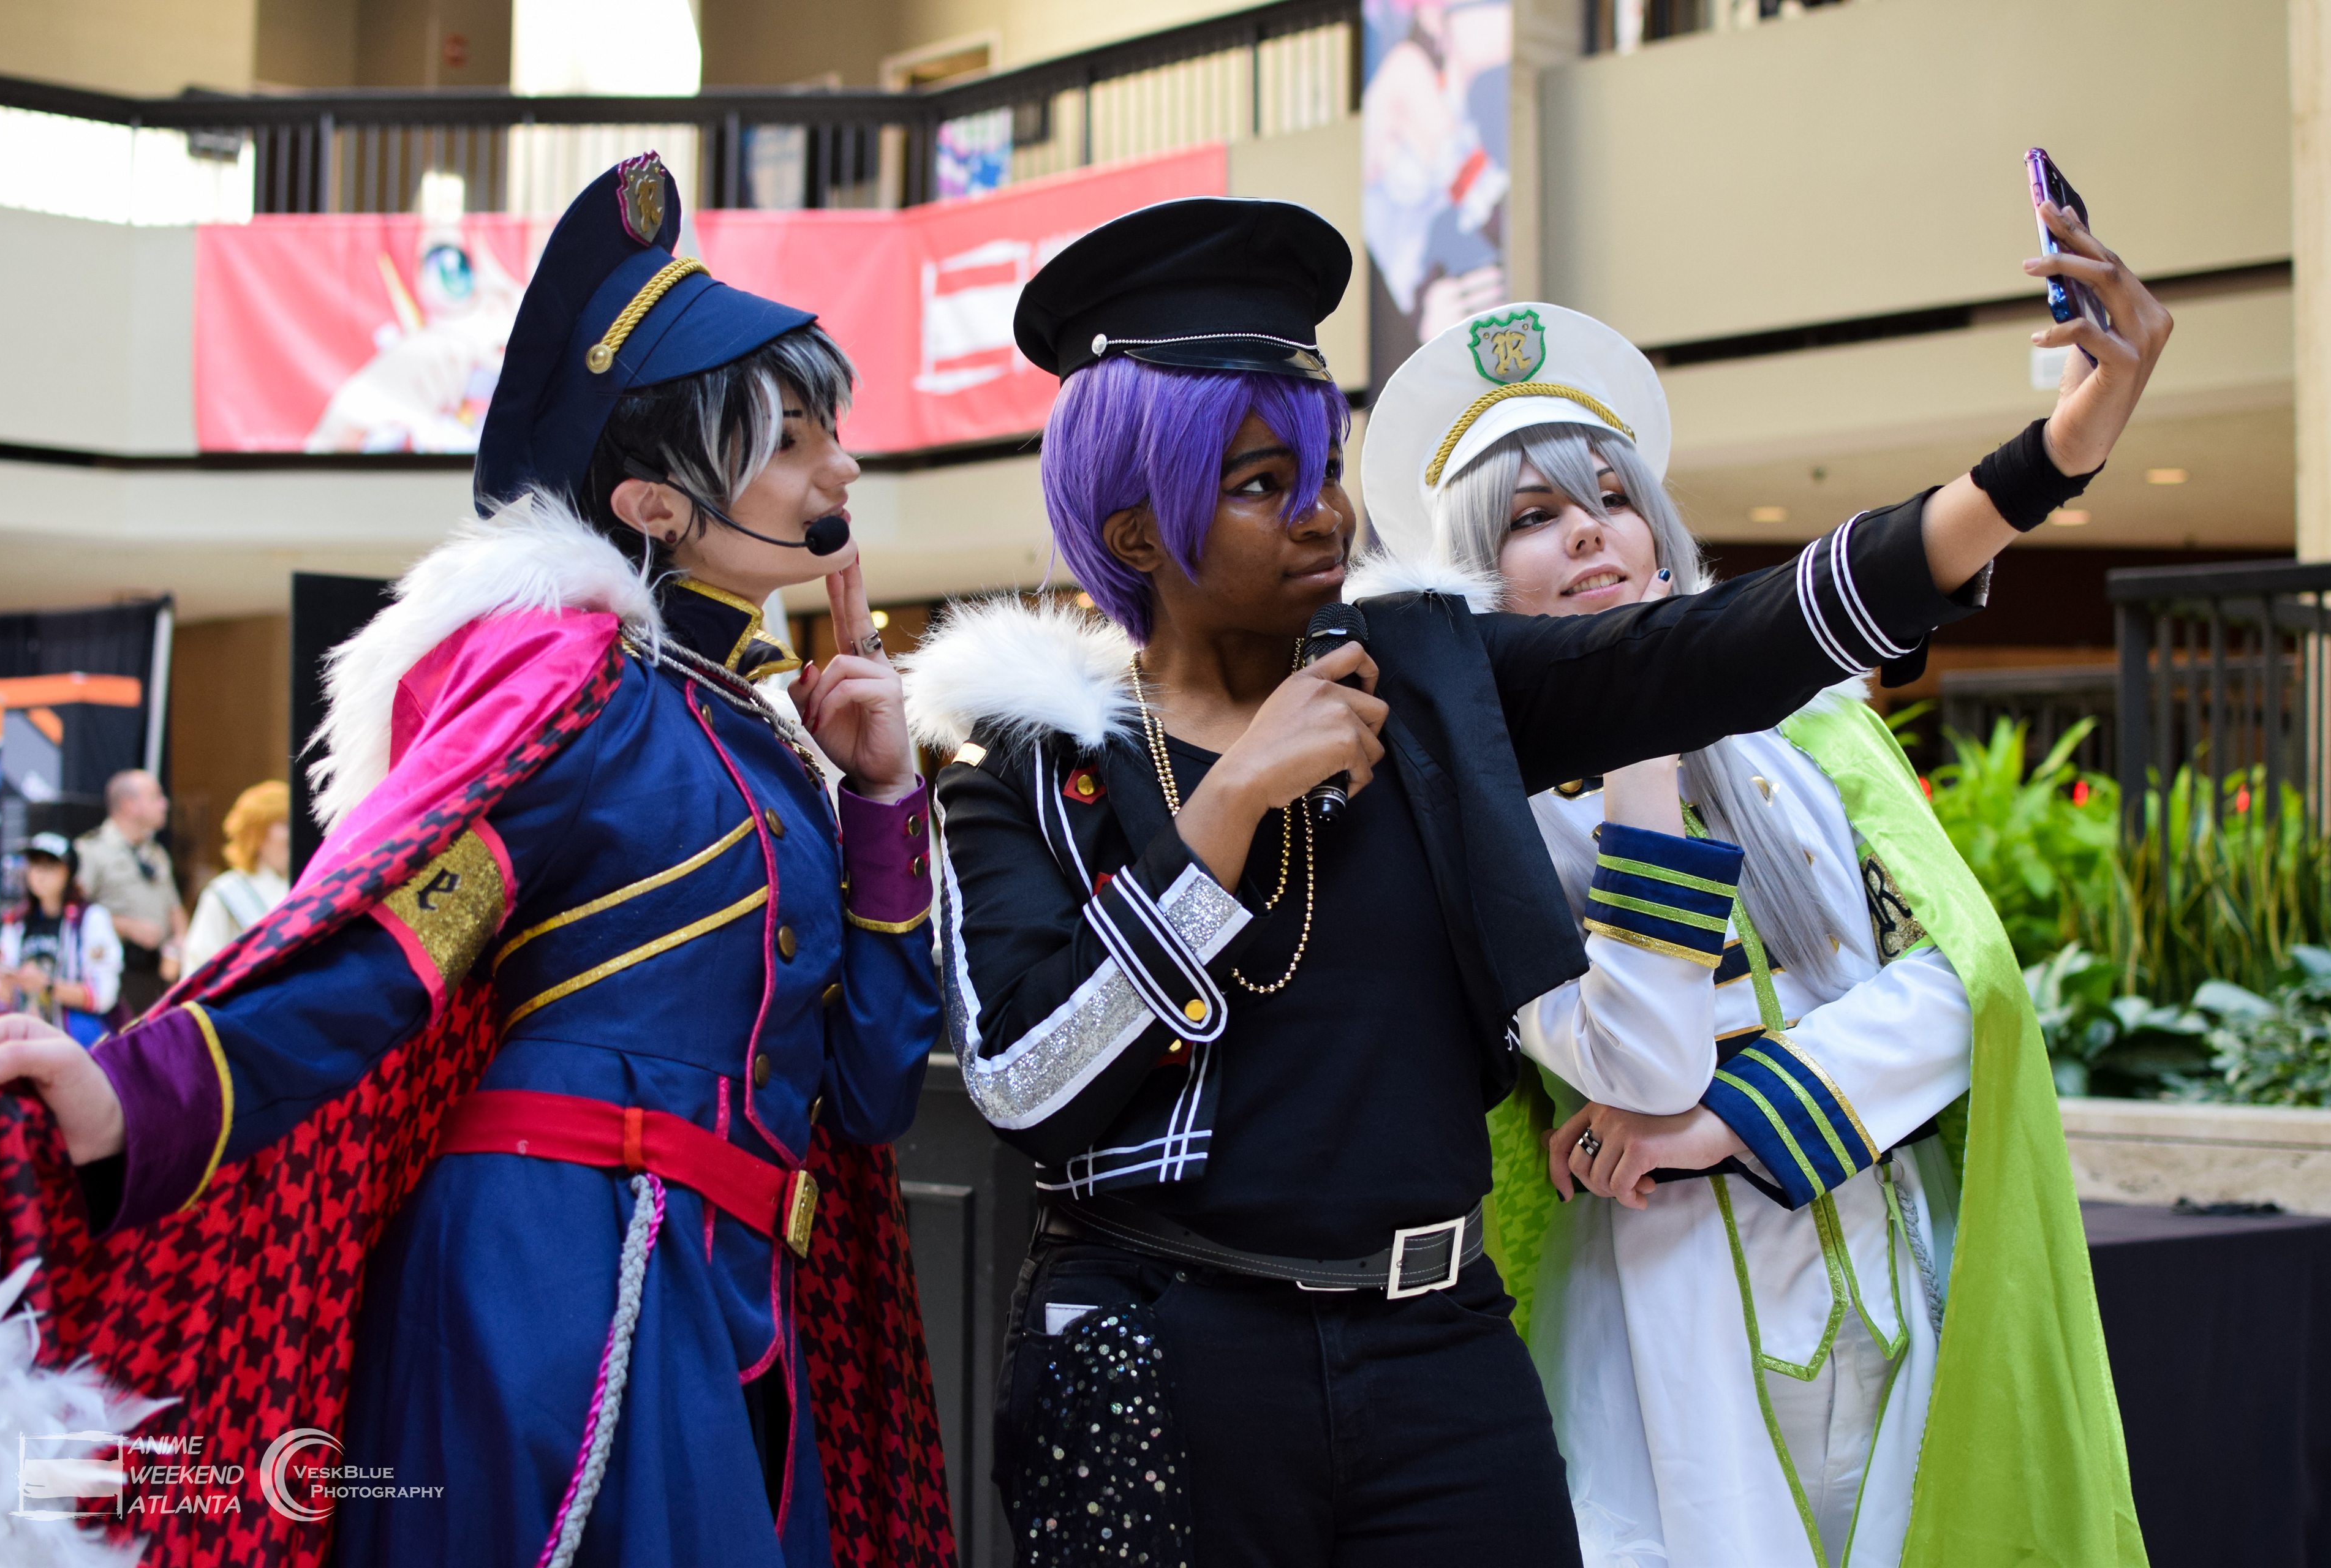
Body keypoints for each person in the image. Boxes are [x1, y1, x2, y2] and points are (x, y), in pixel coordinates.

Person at [901, 194, 2168, 1565]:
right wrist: (1228, 809)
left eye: (1324, 468)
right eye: (1264, 484)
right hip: (1164, 1356)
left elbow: (1710, 646)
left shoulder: (1434, 680)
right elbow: (1025, 1084)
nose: (1322, 513)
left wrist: (2048, 461)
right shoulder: (1029, 768)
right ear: (1138, 532)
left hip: (1439, 1362)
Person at [0, 154, 953, 1567]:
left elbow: (868, 1097)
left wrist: (879, 797)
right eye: (792, 436)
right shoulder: (580, 693)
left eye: (832, 430)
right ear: (654, 502)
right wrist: (141, 1090)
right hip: (556, 1267)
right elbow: (387, 949)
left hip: (737, 1291)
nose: (840, 466)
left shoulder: (775, 751)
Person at [1354, 295, 2148, 1567]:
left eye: (1613, 498)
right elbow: (1636, 1064)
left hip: (1892, 1247)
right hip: (1663, 1303)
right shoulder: (1478, 817)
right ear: (1473, 585)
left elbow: (1963, 981)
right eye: (1533, 517)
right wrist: (1639, 739)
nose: (1589, 532)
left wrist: (1730, 1120)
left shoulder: (1817, 735)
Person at [0, 833, 123, 1047]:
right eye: (35, 865)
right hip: (26, 1040)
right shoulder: (16, 922)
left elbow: (103, 995)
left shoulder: (90, 918)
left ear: (68, 873)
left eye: (50, 867)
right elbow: (3, 996)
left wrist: (48, 986)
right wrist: (5, 986)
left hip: (76, 1041)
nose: (40, 875)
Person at [72, 769, 186, 1017]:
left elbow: (174, 907)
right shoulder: (91, 851)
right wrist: (128, 927)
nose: (164, 804)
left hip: (157, 973)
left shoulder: (156, 853)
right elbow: (74, 914)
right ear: (129, 805)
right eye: (155, 797)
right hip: (116, 972)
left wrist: (179, 943)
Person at [179, 779, 291, 979]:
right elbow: (198, 970)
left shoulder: (308, 884)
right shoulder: (224, 893)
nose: (294, 834)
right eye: (286, 824)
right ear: (257, 833)